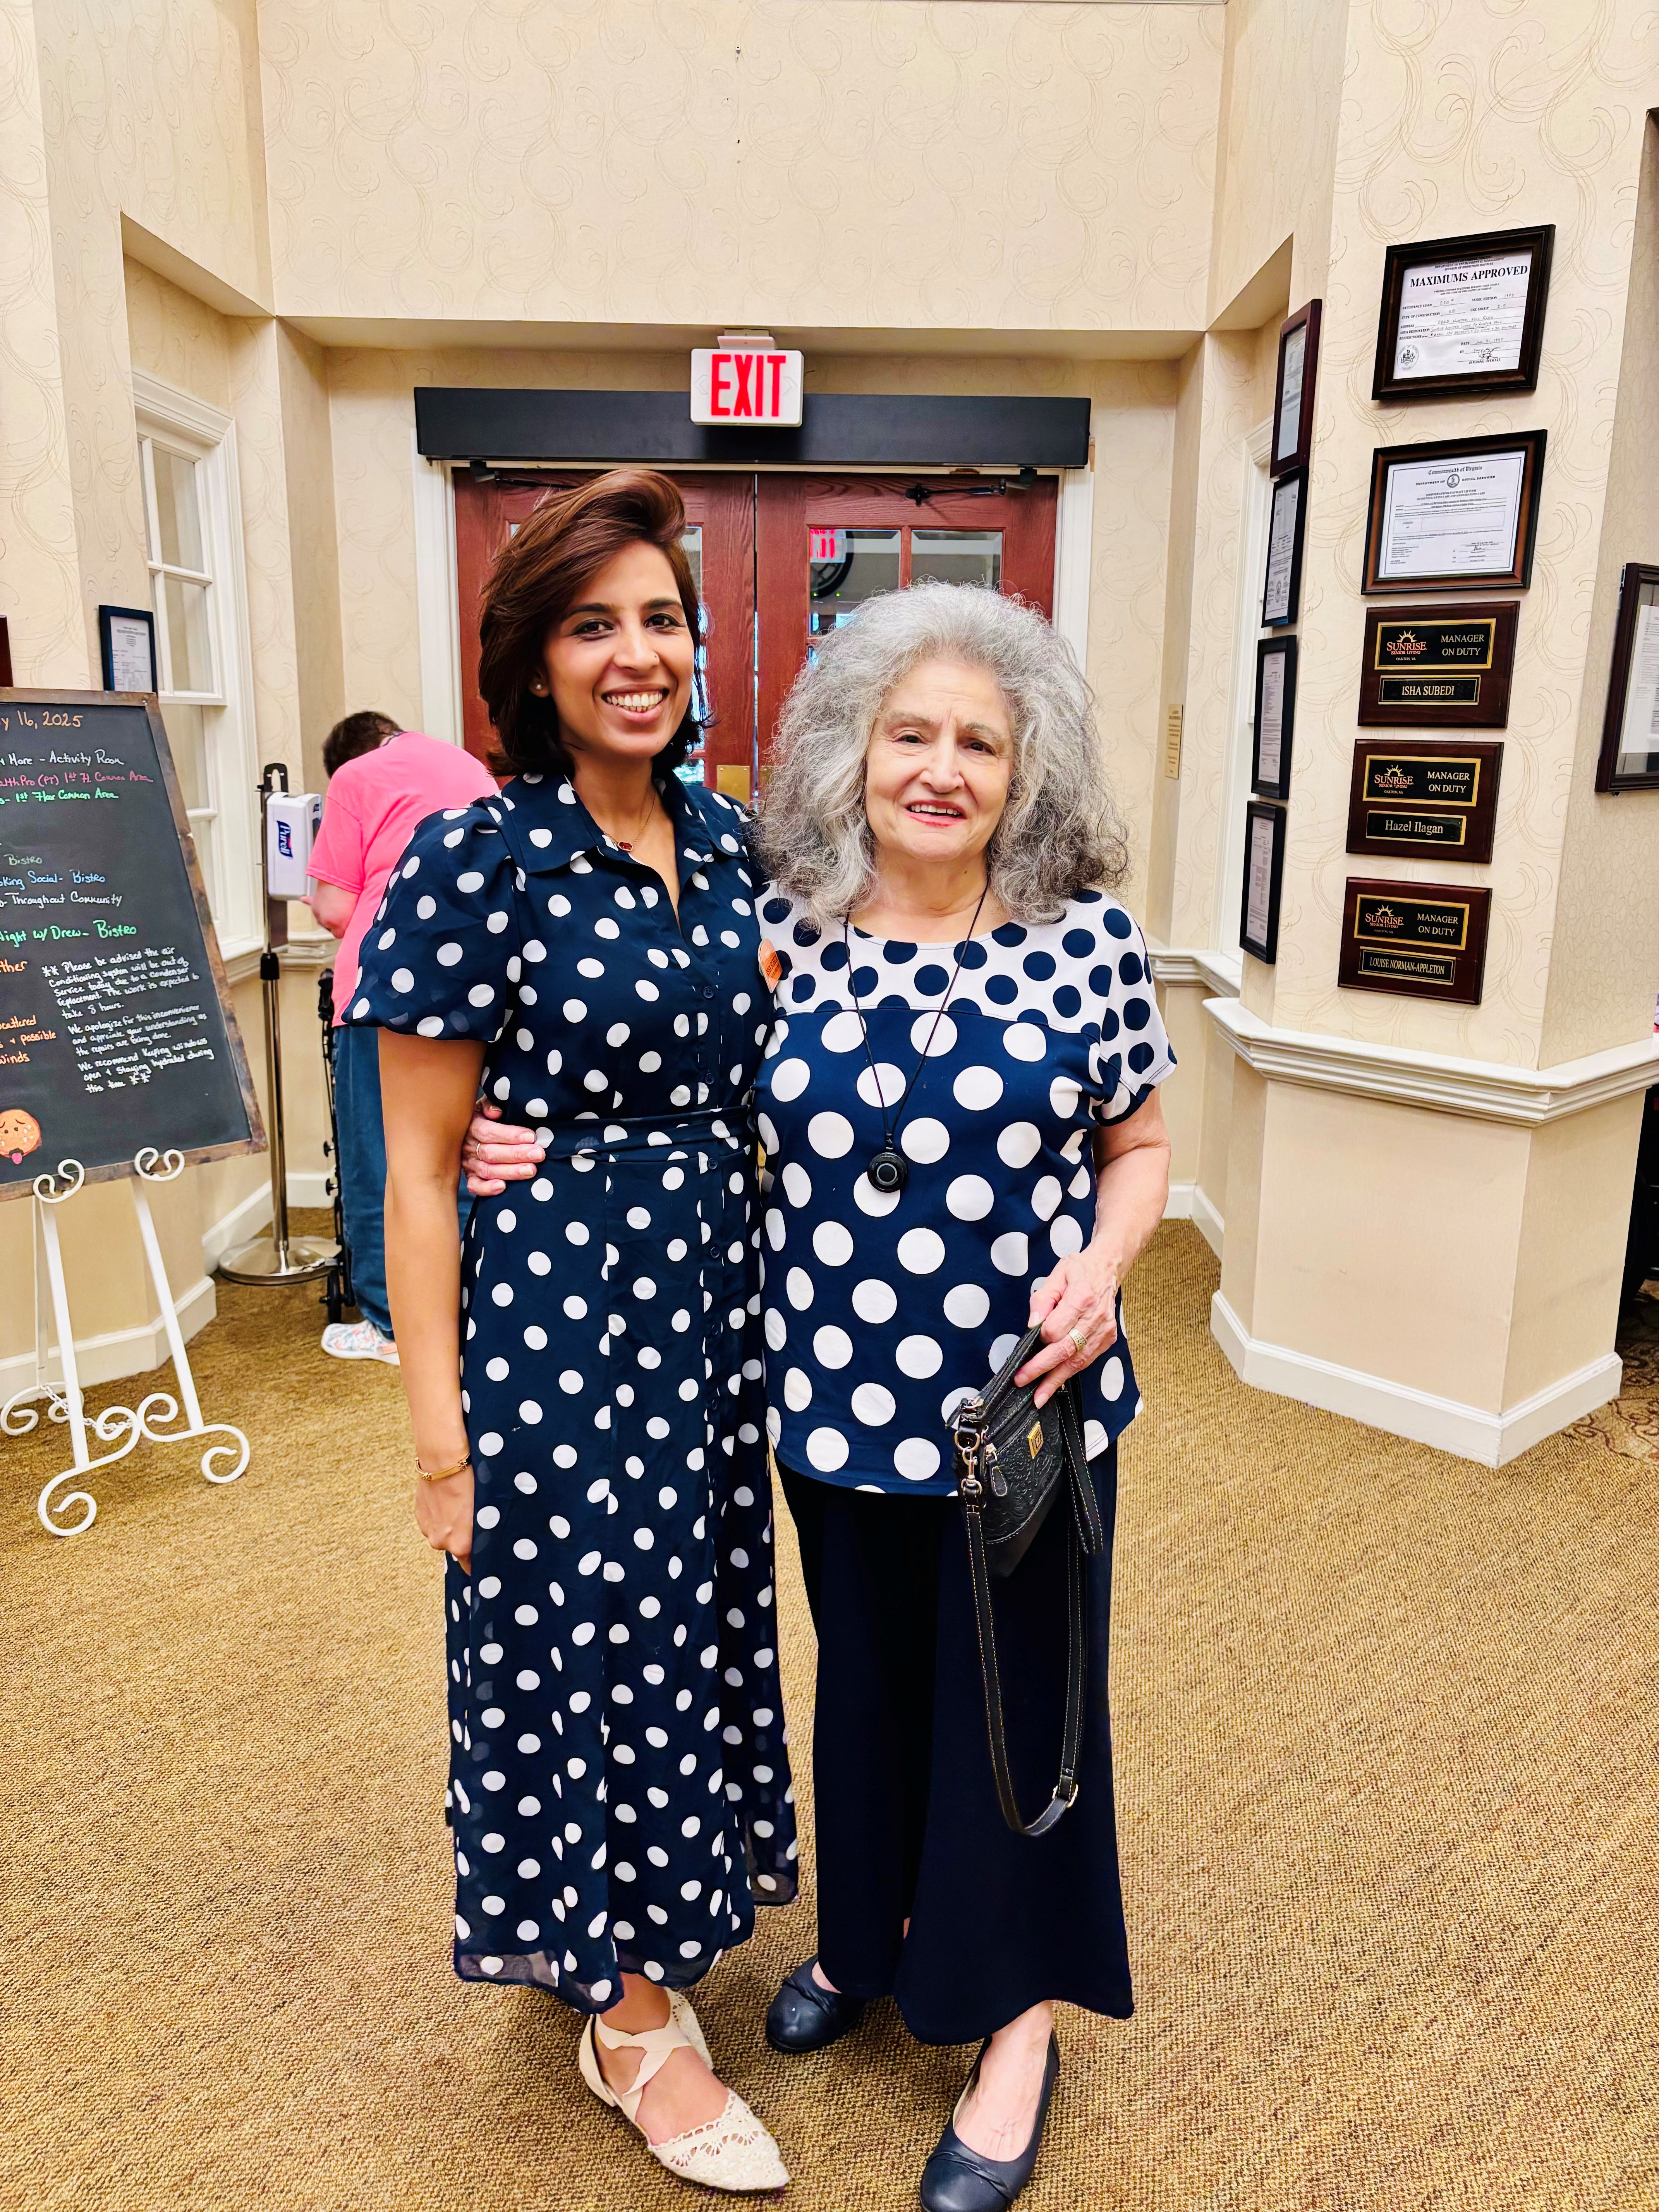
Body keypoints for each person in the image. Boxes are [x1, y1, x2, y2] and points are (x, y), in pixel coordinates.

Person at [465, 582, 1173, 2212]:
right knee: (866, 1689)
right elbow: (670, 1093)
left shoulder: (1088, 944)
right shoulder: (784, 926)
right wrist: (523, 1147)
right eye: (908, 734)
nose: (940, 768)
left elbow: (1135, 1147)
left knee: (1020, 1722)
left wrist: (1111, 1264)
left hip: (1026, 1414)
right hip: (834, 1407)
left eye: (978, 743)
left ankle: (1013, 2031)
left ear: (1028, 770)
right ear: (852, 754)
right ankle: (866, 1944)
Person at [341, 469, 796, 2194]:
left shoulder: (736, 841)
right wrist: (439, 1438)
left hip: (705, 1316)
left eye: (663, 619)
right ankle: (623, 2018)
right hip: (550, 1332)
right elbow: (419, 1177)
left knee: (684, 1630)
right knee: (565, 1645)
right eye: (592, 626)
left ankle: (646, 1929)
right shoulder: (476, 854)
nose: (638, 654)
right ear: (529, 664)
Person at [306, 711, 497, 1363]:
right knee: (462, 1155)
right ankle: (475, 1302)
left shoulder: (355, 778)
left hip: (380, 986)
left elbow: (333, 906)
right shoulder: (468, 767)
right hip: (479, 984)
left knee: (376, 1158)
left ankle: (389, 1325)